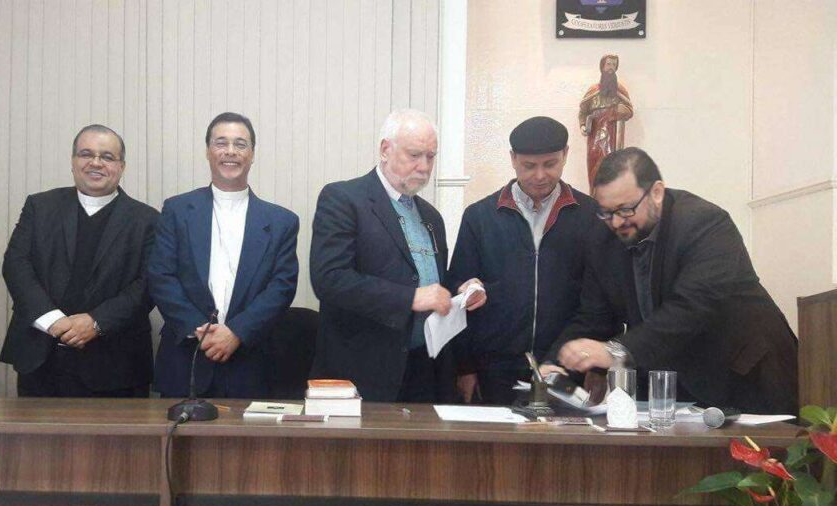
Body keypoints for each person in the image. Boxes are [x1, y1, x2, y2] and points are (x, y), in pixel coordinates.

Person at [546, 147, 798, 414]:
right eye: (606, 212)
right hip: (673, 388)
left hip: (746, 377)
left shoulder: (705, 224)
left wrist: (615, 352)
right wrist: (557, 366)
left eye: (625, 209)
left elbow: (692, 308)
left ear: (656, 192)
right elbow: (594, 316)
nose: (616, 222)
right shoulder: (603, 239)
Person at [309, 109, 485, 402]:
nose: (424, 167)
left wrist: (461, 292)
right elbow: (330, 280)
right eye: (414, 155)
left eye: (430, 157)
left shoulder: (432, 217)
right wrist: (410, 298)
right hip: (364, 372)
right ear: (385, 150)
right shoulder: (343, 199)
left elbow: (431, 285)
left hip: (425, 371)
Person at [0, 125, 160, 398]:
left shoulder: (147, 220)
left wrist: (96, 322)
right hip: (41, 359)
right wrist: (53, 321)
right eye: (86, 154)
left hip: (116, 366)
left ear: (121, 166)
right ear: (73, 162)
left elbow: (148, 285)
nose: (96, 162)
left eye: (107, 157)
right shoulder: (40, 207)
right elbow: (16, 265)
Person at [449, 117, 599, 405]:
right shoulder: (480, 217)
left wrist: (598, 368)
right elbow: (458, 288)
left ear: (566, 155)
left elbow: (598, 298)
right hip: (495, 368)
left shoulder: (589, 215)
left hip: (566, 366)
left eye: (550, 164)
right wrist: (465, 367)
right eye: (529, 166)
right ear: (513, 159)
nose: (540, 175)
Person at [148, 112, 299, 398]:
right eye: (221, 143)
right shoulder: (177, 210)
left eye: (240, 144)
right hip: (186, 359)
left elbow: (282, 287)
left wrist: (237, 332)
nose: (230, 151)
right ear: (208, 151)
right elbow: (161, 276)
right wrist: (201, 331)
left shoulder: (281, 221)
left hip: (250, 362)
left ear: (252, 155)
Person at [579, 54, 634, 189]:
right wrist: (582, 125)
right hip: (595, 135)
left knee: (612, 166)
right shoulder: (593, 90)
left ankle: (610, 197)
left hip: (613, 134)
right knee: (594, 165)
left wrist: (619, 111)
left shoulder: (620, 90)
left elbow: (629, 111)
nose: (611, 68)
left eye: (614, 65)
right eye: (608, 64)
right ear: (602, 66)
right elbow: (583, 111)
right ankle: (594, 195)